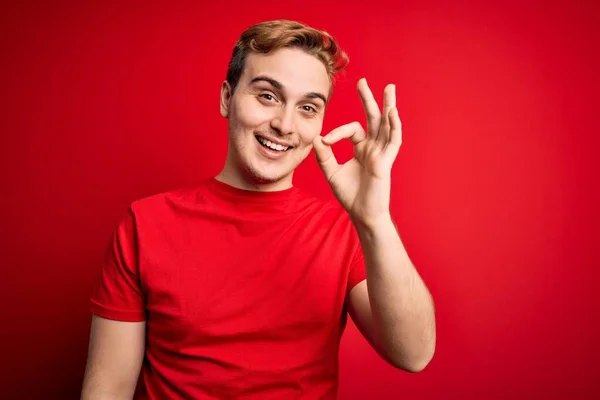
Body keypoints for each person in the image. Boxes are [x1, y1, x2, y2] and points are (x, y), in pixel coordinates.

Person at [81, 19, 436, 400]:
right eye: (267, 96)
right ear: (226, 97)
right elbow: (108, 388)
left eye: (308, 107)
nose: (285, 124)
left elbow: (413, 354)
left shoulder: (345, 231)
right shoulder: (145, 223)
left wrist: (374, 219)